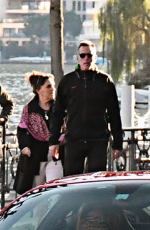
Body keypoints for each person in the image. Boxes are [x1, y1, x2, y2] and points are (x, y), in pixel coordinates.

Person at [48, 41, 124, 176]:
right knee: (71, 179)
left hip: (98, 140)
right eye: (82, 55)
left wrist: (117, 143)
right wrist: (53, 141)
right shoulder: (67, 81)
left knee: (96, 180)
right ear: (77, 58)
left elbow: (114, 113)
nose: (86, 59)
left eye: (89, 56)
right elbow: (58, 113)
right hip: (73, 139)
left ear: (95, 58)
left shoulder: (104, 81)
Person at [14, 71, 54, 194]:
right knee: (38, 191)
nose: (52, 89)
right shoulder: (29, 110)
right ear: (38, 90)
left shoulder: (60, 108)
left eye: (53, 86)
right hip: (37, 156)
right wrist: (24, 146)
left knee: (56, 186)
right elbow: (22, 130)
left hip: (57, 155)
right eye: (48, 86)